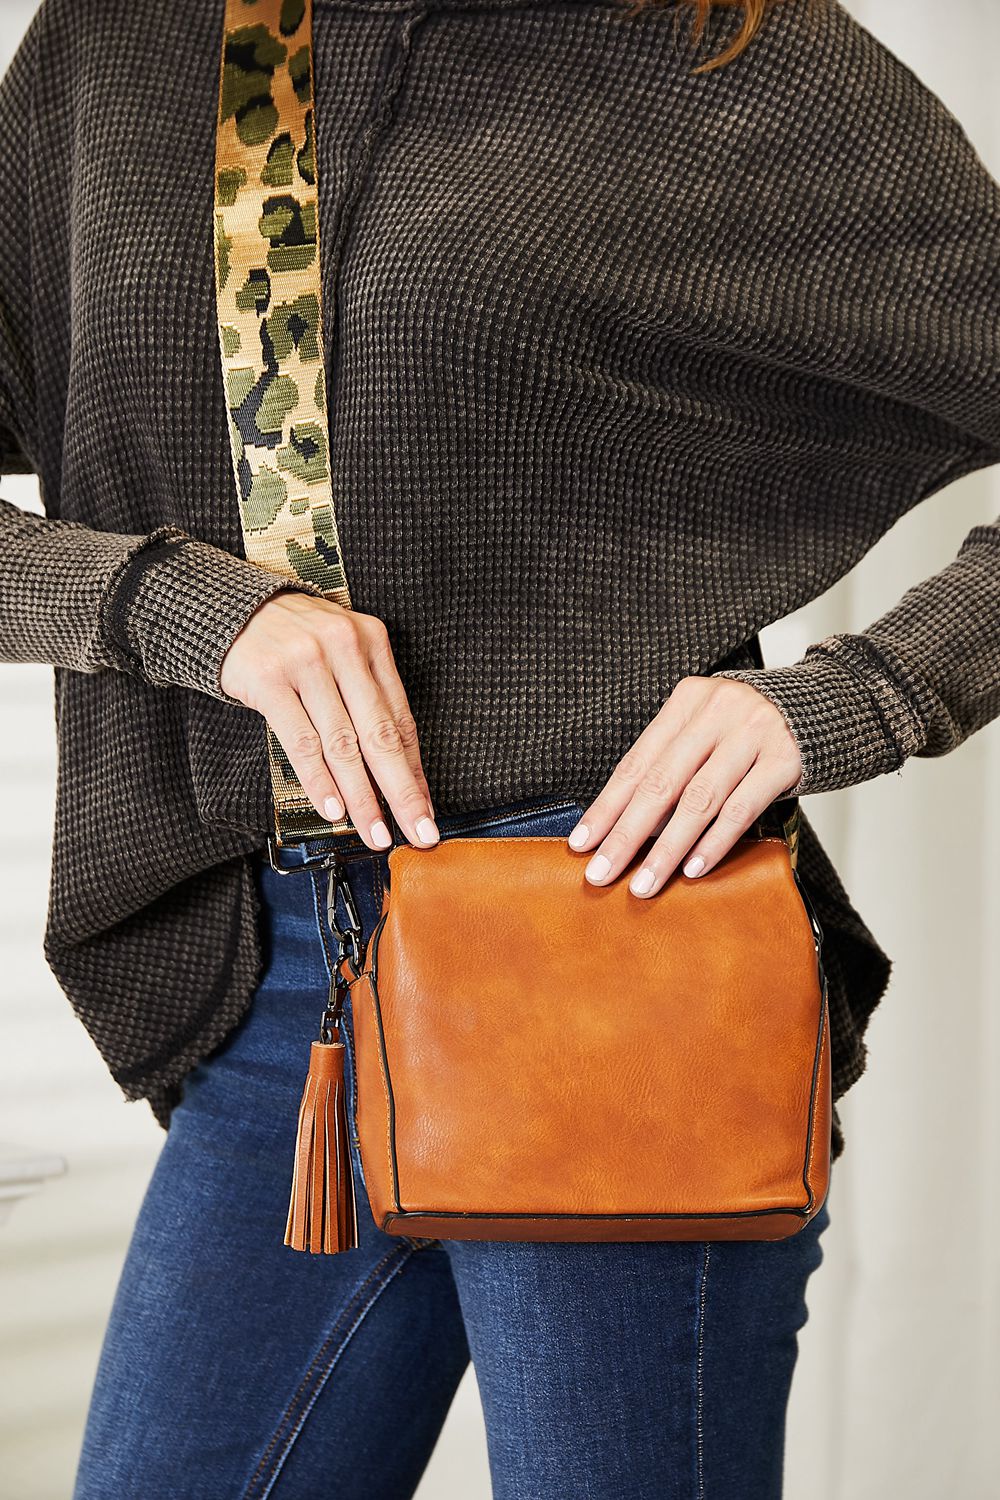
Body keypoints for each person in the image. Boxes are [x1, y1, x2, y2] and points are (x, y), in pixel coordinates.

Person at [0, 0, 996, 1494]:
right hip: (282, 989)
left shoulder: (726, 54)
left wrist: (872, 690)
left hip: (617, 948)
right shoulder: (121, 46)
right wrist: (172, 605)